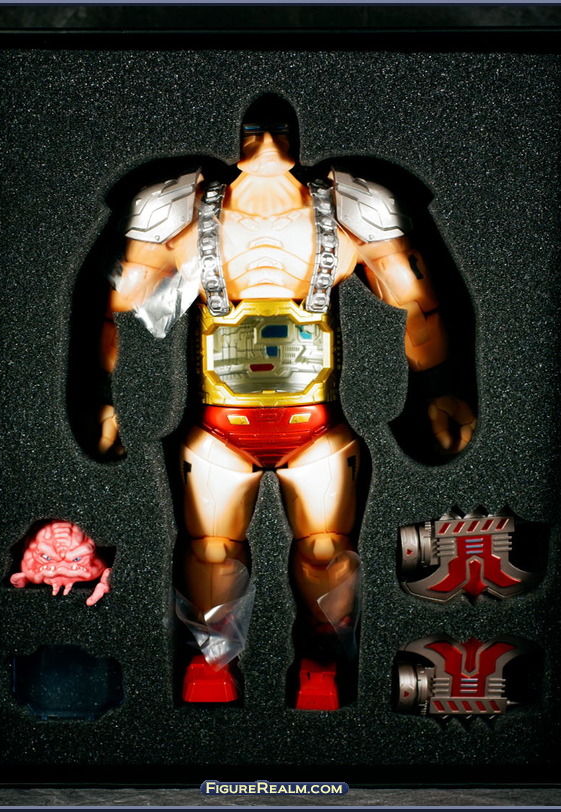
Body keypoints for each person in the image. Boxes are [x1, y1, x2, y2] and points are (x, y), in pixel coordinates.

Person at [97, 96, 475, 709]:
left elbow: (420, 300)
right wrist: (98, 392)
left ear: (297, 135)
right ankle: (210, 665)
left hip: (315, 422)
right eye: (256, 131)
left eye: (276, 130)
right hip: (219, 423)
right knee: (211, 551)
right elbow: (112, 301)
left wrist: (438, 389)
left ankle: (322, 666)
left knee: (326, 550)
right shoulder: (182, 209)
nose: (268, 144)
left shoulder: (349, 207)